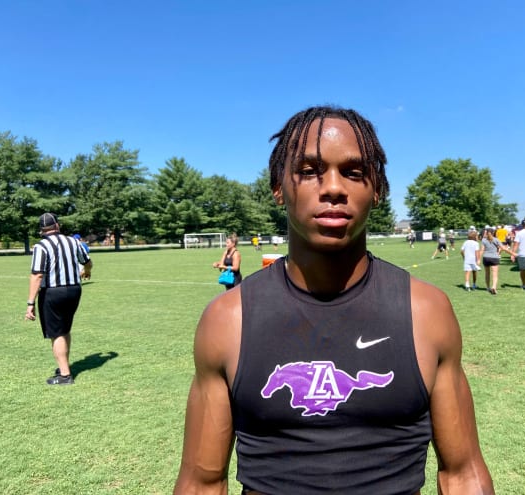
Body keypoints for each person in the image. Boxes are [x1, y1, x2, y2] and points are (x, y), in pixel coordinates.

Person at [174, 106, 494, 494]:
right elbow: (202, 482)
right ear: (278, 188)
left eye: (354, 172)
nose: (333, 187)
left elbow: (462, 474)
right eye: (309, 171)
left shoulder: (426, 312)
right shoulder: (228, 319)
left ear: (377, 191)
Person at [25, 213, 92, 385]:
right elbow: (87, 261)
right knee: (64, 328)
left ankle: (64, 375)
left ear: (41, 229)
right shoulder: (73, 241)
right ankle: (65, 366)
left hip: (53, 292)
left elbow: (37, 275)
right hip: (75, 290)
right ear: (57, 225)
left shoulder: (41, 246)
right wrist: (87, 271)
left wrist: (30, 302)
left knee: (56, 333)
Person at [478, 228, 515, 295]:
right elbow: (504, 248)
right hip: (494, 258)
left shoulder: (483, 240)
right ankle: (494, 287)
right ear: (494, 233)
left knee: (487, 274)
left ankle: (488, 287)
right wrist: (513, 254)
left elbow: (481, 250)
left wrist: (478, 260)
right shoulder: (496, 240)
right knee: (494, 274)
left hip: (486, 258)